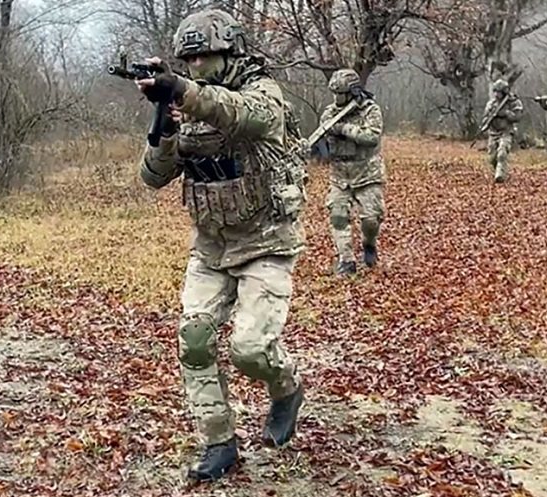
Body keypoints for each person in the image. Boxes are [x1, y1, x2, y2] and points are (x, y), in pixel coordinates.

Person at [134, 8, 306, 482]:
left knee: (250, 349)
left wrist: (183, 93)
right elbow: (152, 178)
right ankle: (219, 441)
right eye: (187, 61)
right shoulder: (186, 105)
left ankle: (286, 389)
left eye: (205, 57)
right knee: (194, 340)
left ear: (231, 53)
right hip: (211, 247)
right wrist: (165, 128)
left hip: (266, 242)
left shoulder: (261, 94)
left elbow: (240, 115)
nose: (196, 67)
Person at [319, 68, 385, 275]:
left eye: (341, 94)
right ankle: (346, 260)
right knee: (338, 216)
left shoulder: (369, 110)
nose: (337, 98)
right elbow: (323, 146)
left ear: (353, 92)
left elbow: (371, 137)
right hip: (340, 176)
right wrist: (319, 147)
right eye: (335, 93)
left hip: (367, 173)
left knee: (371, 219)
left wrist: (344, 129)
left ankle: (369, 244)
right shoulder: (329, 114)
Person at [481, 79, 524, 183]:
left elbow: (517, 117)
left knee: (502, 153)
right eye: (495, 92)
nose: (496, 94)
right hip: (493, 133)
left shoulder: (513, 102)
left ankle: (500, 175)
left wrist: (505, 113)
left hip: (506, 131)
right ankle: (498, 170)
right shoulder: (491, 103)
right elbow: (485, 117)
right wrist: (488, 121)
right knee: (492, 158)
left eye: (499, 92)